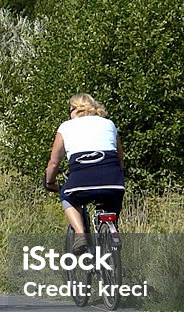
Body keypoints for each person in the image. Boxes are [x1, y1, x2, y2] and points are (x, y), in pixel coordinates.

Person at [44, 93, 124, 253]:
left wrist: (49, 181)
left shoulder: (66, 127)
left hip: (81, 181)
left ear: (76, 109)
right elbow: (120, 159)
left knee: (67, 196)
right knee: (113, 200)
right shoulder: (109, 124)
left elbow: (54, 163)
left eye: (70, 109)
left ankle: (81, 235)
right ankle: (112, 229)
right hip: (113, 180)